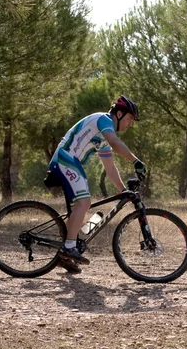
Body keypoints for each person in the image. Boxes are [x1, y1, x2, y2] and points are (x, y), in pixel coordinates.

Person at [47, 95, 147, 274]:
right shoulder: (103, 120)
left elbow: (110, 168)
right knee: (84, 202)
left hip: (70, 161)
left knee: (78, 208)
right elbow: (116, 143)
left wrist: (124, 191)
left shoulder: (103, 138)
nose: (130, 124)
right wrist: (135, 161)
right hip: (65, 158)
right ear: (119, 113)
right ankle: (69, 247)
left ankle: (64, 256)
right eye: (130, 119)